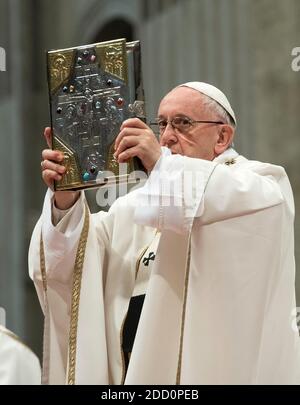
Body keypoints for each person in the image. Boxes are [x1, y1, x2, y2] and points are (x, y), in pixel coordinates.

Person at [29, 82, 300, 385]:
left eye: (182, 123)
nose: (168, 136)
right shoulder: (134, 206)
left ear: (222, 136)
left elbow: (229, 207)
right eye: (162, 124)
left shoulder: (260, 185)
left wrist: (161, 164)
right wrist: (66, 196)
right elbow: (74, 266)